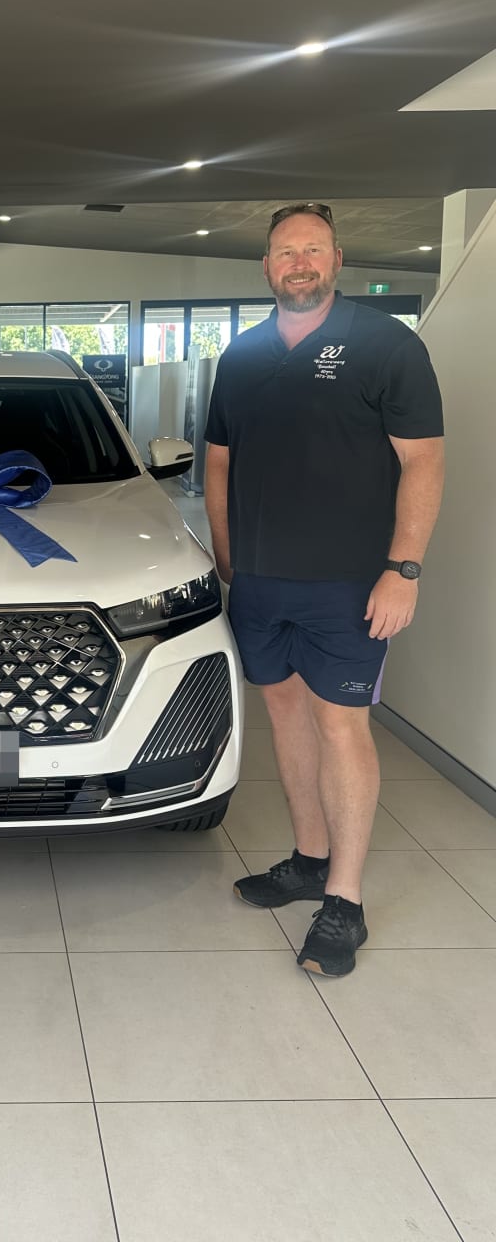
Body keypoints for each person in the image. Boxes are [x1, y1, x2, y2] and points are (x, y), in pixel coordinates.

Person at [204, 203, 444, 977]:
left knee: (341, 725)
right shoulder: (241, 355)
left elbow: (423, 461)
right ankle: (309, 860)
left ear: (337, 259)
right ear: (266, 267)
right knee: (285, 714)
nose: (299, 263)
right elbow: (219, 461)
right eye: (285, 252)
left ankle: (345, 900)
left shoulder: (387, 345)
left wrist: (404, 568)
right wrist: (228, 557)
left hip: (349, 582)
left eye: (313, 249)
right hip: (261, 581)